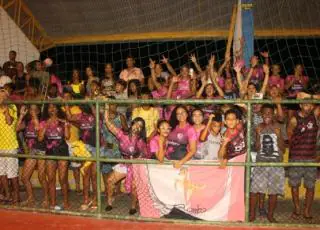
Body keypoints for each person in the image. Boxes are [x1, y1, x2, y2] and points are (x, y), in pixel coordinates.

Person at [104, 110, 147, 215]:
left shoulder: (141, 141)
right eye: (135, 124)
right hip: (125, 163)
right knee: (110, 180)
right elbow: (108, 123)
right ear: (131, 124)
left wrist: (136, 160)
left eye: (140, 126)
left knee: (134, 187)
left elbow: (145, 155)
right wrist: (106, 106)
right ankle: (109, 202)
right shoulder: (122, 135)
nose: (137, 127)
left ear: (141, 130)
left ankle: (133, 206)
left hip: (136, 165)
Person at [249, 104, 285, 223]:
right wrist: (259, 135)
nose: (267, 115)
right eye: (264, 113)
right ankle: (252, 215)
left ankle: (270, 215)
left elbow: (283, 149)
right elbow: (257, 147)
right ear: (261, 114)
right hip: (261, 163)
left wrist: (279, 135)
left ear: (274, 113)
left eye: (269, 113)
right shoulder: (259, 126)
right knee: (254, 190)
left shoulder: (279, 126)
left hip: (276, 164)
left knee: (273, 192)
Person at [287, 102, 319, 219]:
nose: (309, 107)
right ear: (300, 105)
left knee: (310, 186)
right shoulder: (294, 119)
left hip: (311, 157)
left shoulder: (314, 115)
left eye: (311, 105)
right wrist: (298, 136)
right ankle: (297, 208)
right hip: (296, 156)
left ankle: (307, 210)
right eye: (306, 104)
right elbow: (289, 137)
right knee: (294, 185)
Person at [65, 104, 98, 210]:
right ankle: (86, 199)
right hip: (85, 148)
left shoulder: (96, 114)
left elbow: (98, 117)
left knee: (94, 175)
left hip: (96, 147)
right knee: (86, 174)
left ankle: (95, 199)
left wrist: (93, 104)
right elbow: (69, 117)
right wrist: (66, 104)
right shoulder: (80, 116)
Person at [38, 104, 70, 210]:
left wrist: (65, 125)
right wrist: (46, 125)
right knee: (51, 179)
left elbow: (67, 136)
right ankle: (53, 202)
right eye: (50, 107)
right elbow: (40, 138)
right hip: (50, 151)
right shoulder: (43, 122)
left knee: (62, 178)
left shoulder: (63, 121)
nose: (52, 109)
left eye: (54, 107)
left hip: (62, 151)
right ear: (47, 110)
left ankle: (66, 202)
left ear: (57, 109)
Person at [16, 105, 48, 207]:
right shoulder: (27, 122)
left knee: (41, 177)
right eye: (31, 109)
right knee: (24, 177)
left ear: (38, 111)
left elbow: (40, 136)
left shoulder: (43, 122)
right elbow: (16, 129)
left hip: (42, 151)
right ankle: (31, 198)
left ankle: (46, 199)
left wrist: (35, 119)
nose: (32, 111)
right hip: (31, 151)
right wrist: (21, 116)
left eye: (34, 109)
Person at [0, 82, 20, 204]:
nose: (1, 97)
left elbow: (9, 121)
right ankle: (7, 195)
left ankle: (16, 196)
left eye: (3, 95)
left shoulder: (12, 107)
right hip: (0, 145)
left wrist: (5, 108)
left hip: (10, 144)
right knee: (1, 173)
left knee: (12, 174)